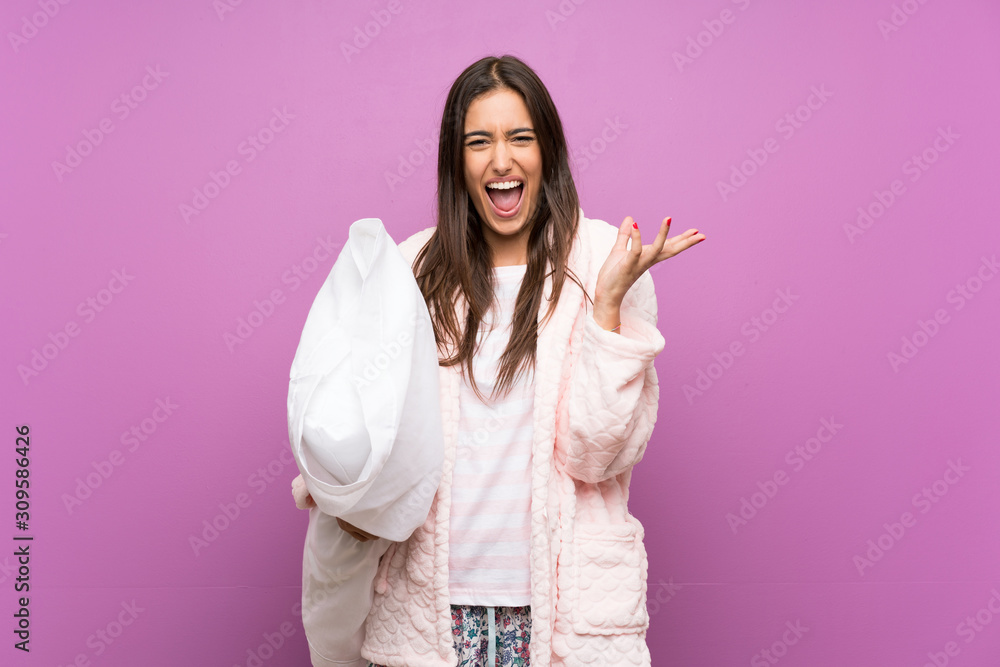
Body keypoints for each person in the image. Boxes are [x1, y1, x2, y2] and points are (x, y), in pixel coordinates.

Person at [292, 54, 704, 666]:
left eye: (521, 138)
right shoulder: (411, 269)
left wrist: (608, 307)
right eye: (479, 141)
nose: (501, 160)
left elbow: (596, 457)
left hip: (560, 615)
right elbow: (363, 419)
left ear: (548, 151)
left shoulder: (605, 261)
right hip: (427, 611)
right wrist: (343, 493)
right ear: (456, 161)